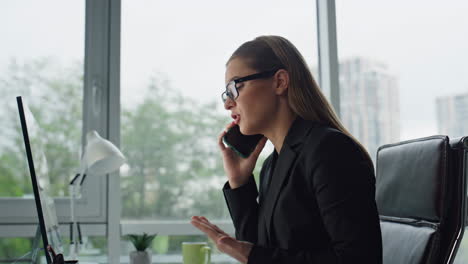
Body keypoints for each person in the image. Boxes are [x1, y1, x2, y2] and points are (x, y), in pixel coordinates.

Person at [190, 35, 382, 264]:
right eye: (226, 93)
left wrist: (250, 254)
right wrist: (240, 184)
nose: (227, 104)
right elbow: (261, 250)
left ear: (280, 81)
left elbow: (357, 260)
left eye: (235, 87)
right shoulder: (273, 164)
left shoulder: (330, 151)